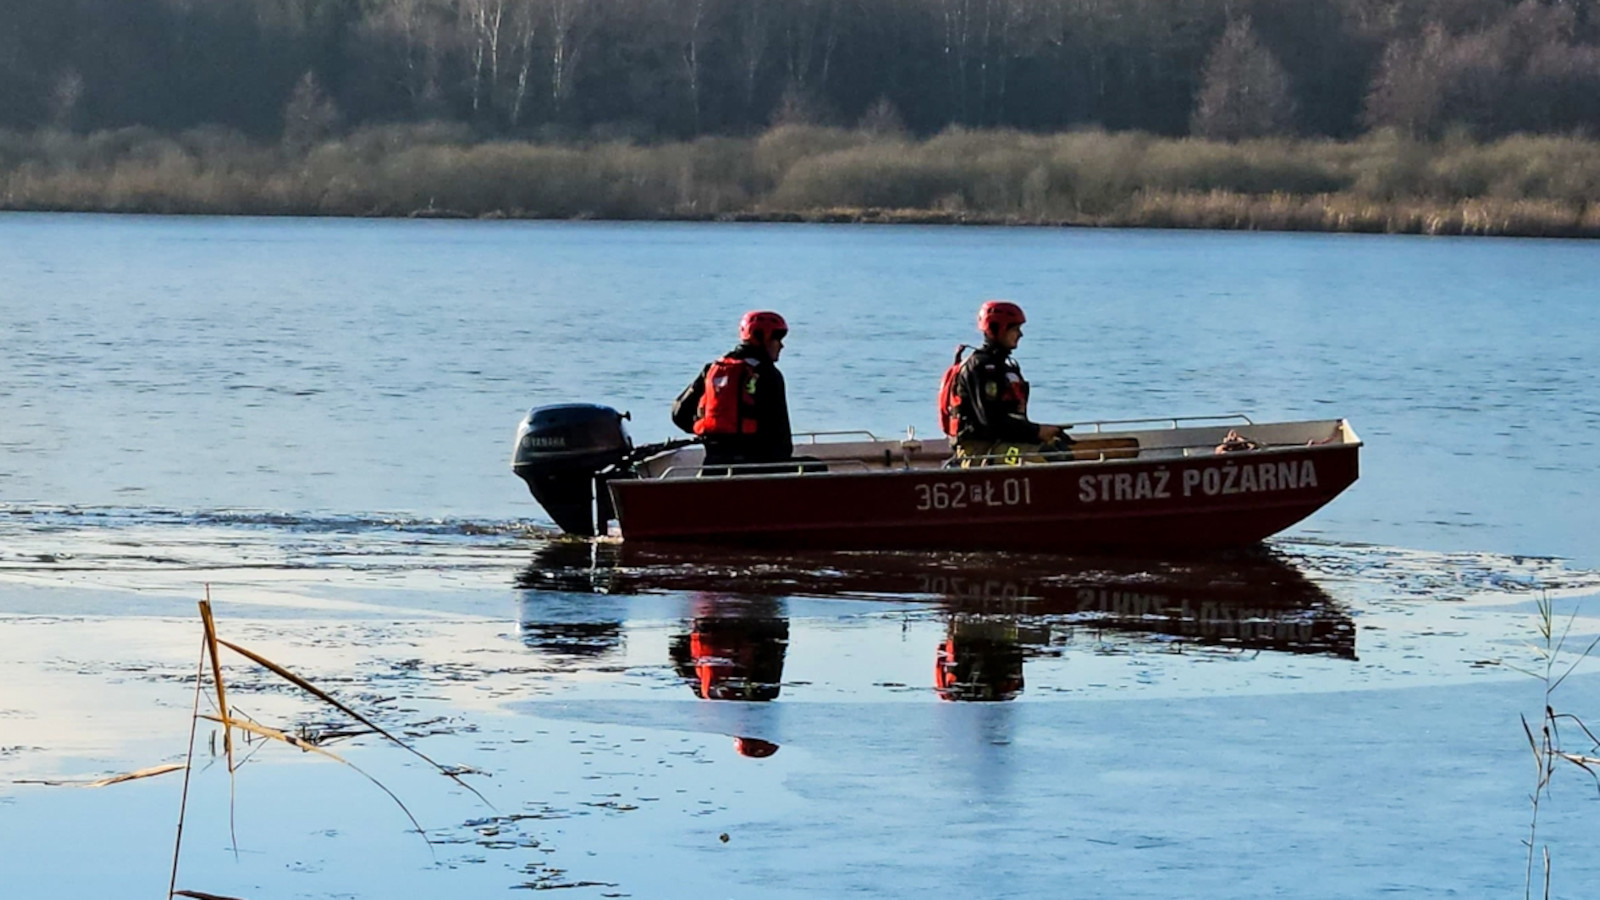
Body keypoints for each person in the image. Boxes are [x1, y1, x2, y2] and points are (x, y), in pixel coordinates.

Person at [939, 300, 1066, 466]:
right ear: (997, 329)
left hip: (1003, 444)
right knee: (1051, 457)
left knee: (1060, 449)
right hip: (979, 452)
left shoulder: (1004, 367)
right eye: (1015, 329)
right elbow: (990, 421)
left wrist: (1043, 432)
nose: (1020, 335)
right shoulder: (980, 368)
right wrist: (1037, 431)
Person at [672, 310, 794, 468]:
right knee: (815, 467)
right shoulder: (769, 374)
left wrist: (710, 432)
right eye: (777, 338)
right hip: (759, 469)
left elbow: (678, 414)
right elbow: (781, 440)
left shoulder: (713, 369)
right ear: (761, 337)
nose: (782, 345)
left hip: (712, 466)